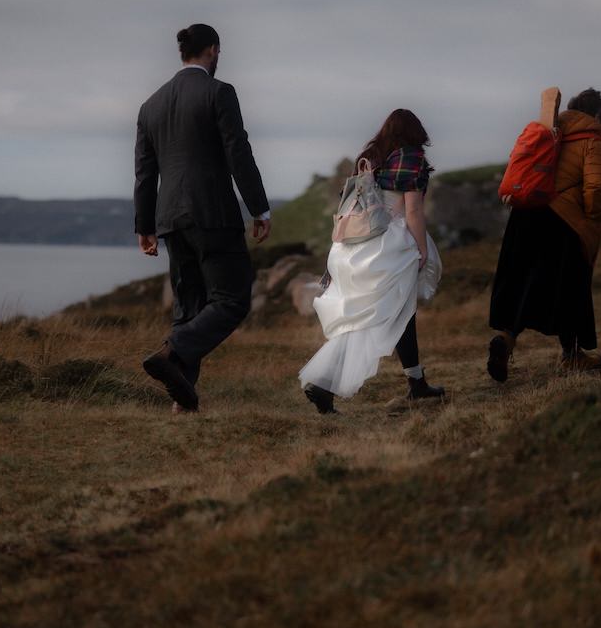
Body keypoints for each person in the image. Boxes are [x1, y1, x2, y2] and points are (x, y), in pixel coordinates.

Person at [134, 23, 271, 412]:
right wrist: (258, 207)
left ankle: (183, 399)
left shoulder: (151, 105)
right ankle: (171, 351)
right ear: (212, 51)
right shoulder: (219, 92)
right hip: (212, 213)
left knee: (189, 305)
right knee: (232, 299)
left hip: (169, 218)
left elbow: (145, 174)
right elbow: (237, 154)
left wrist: (145, 227)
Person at [299, 109, 445, 413]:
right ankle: (323, 384)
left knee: (399, 312)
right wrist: (421, 249)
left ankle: (416, 384)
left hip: (355, 246)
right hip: (391, 246)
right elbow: (414, 211)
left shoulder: (371, 156)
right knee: (373, 319)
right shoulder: (412, 158)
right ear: (416, 133)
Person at [487, 87, 601, 380]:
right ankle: (571, 356)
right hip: (564, 222)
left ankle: (506, 342)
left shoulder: (549, 131)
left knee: (522, 283)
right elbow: (596, 187)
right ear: (597, 114)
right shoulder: (594, 139)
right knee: (569, 288)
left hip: (525, 215)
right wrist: (592, 222)